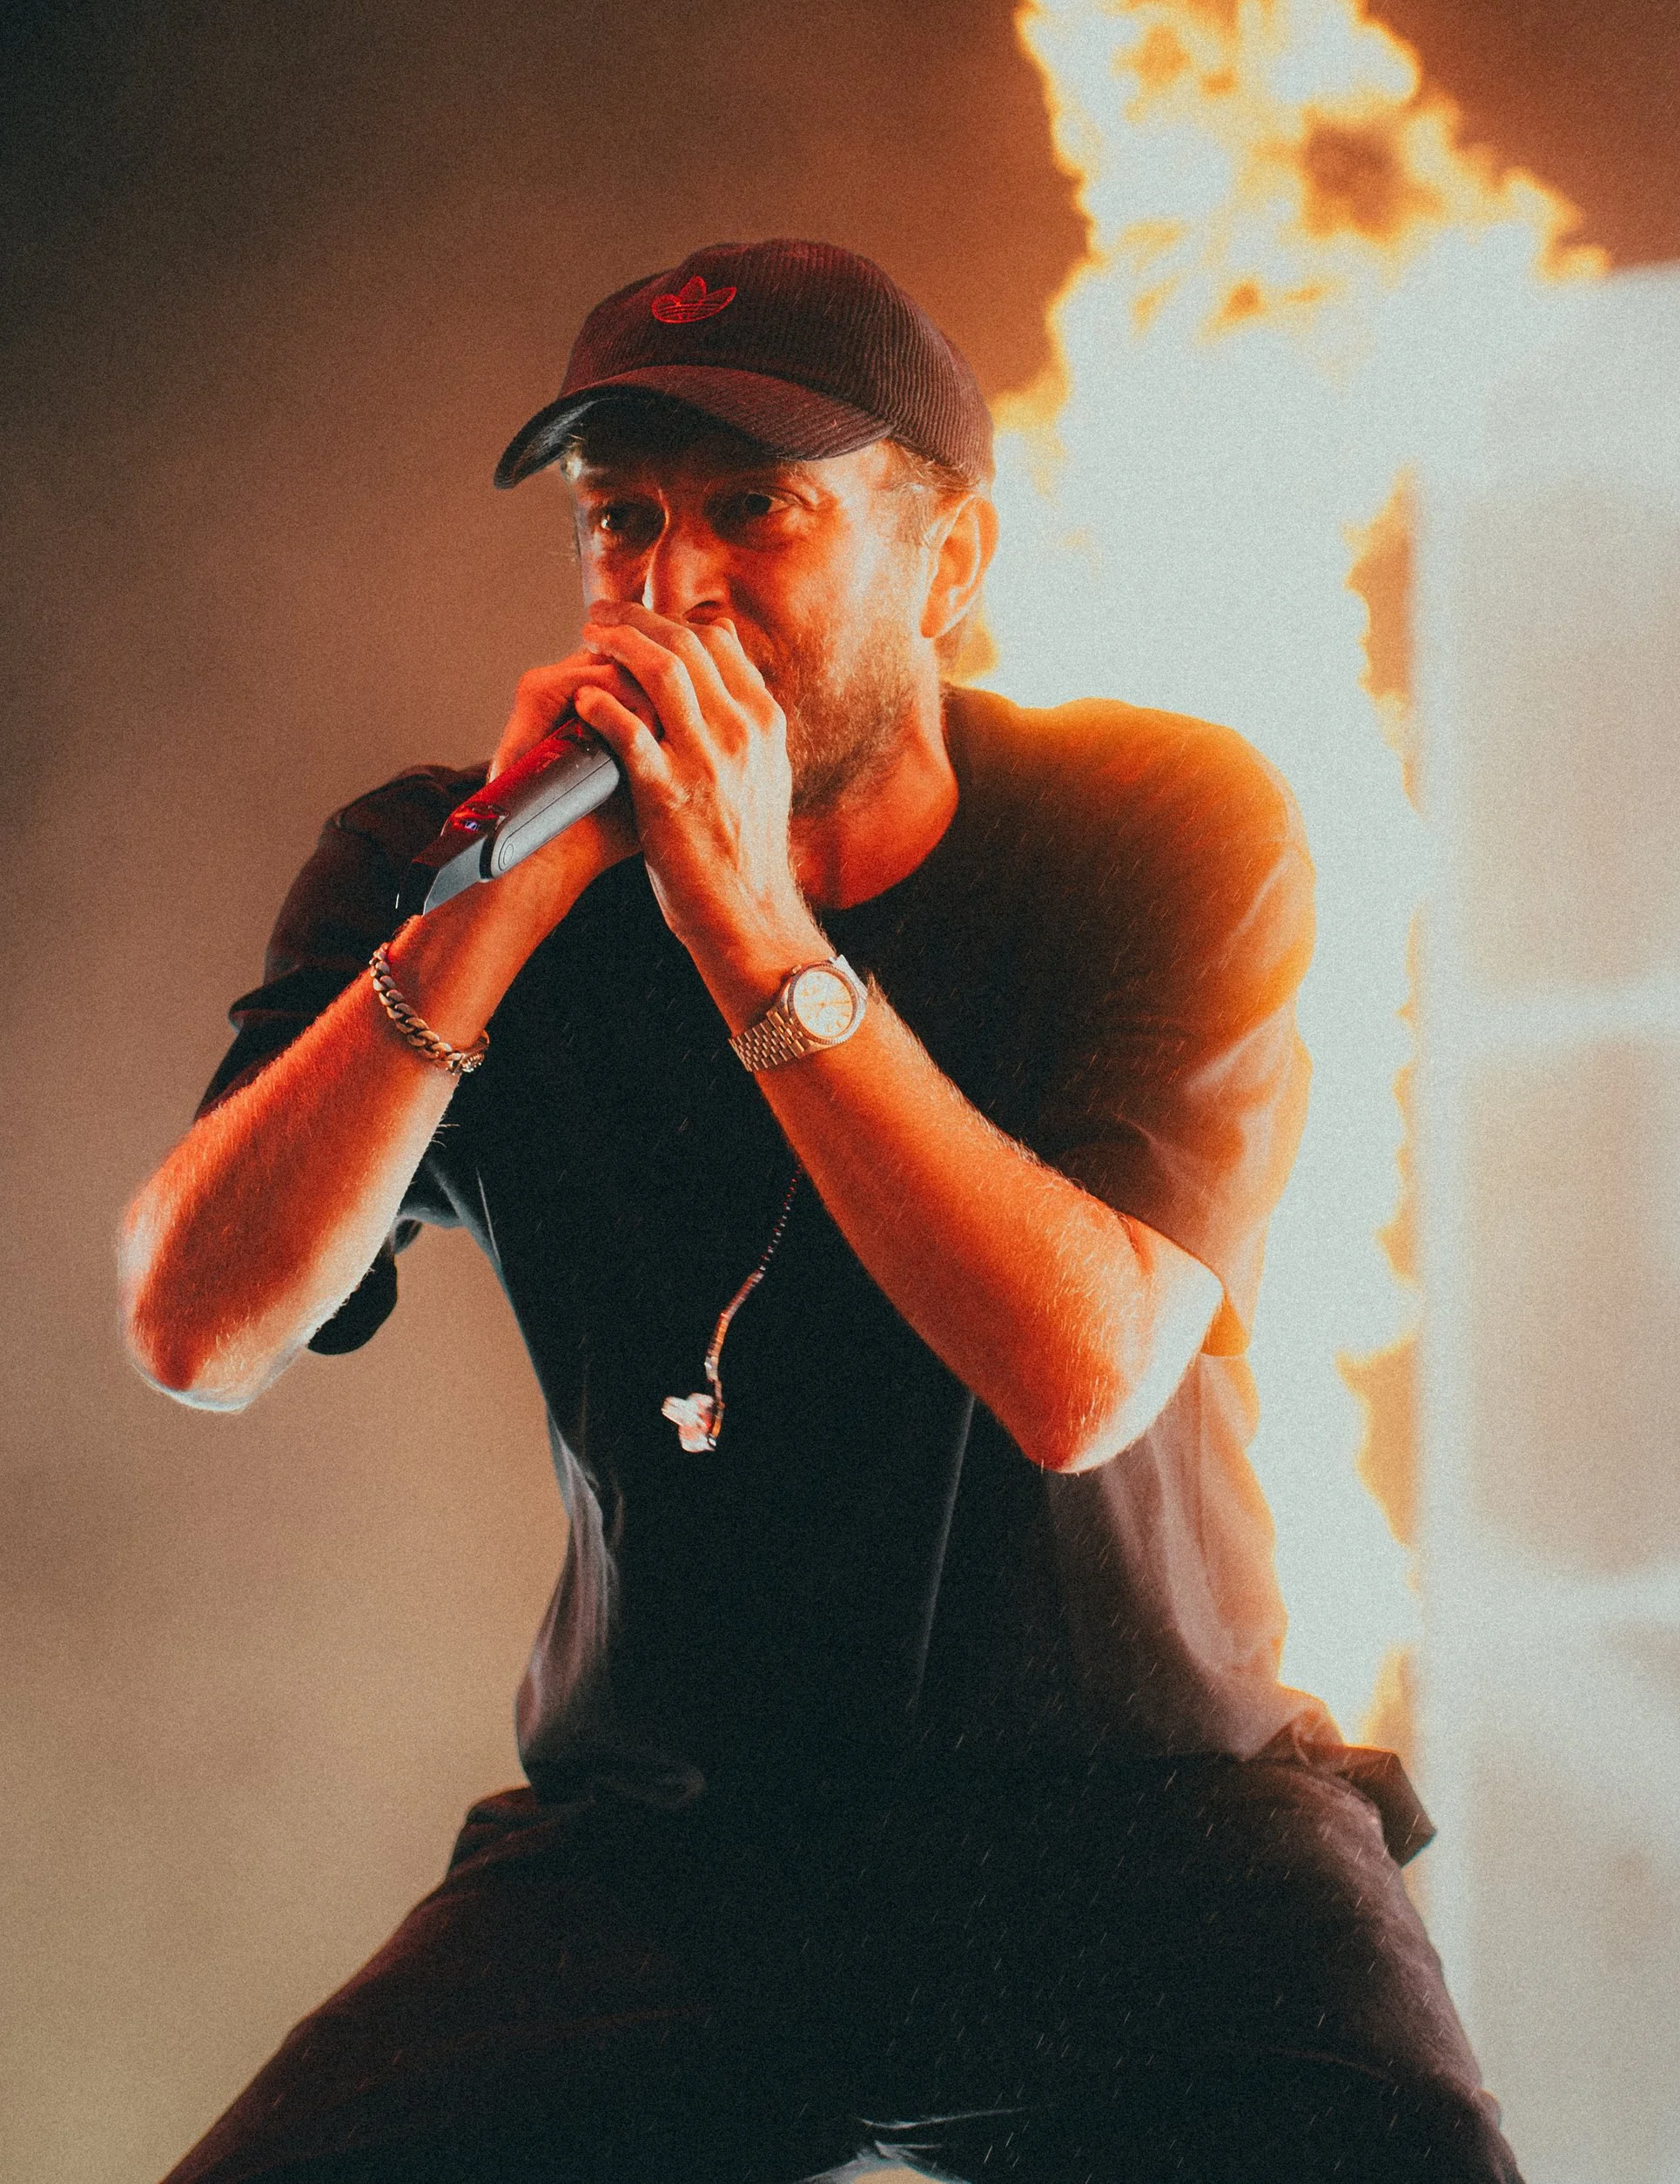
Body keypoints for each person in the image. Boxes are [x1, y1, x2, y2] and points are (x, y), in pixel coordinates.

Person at [119, 236, 1523, 2184]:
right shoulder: (432, 873)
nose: (671, 584)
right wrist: (485, 921)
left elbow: (1081, 1371)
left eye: (754, 511)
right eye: (620, 523)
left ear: (944, 563)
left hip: (1145, 1832)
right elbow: (198, 1328)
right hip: (677, 1855)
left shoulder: (1158, 828)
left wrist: (748, 931)